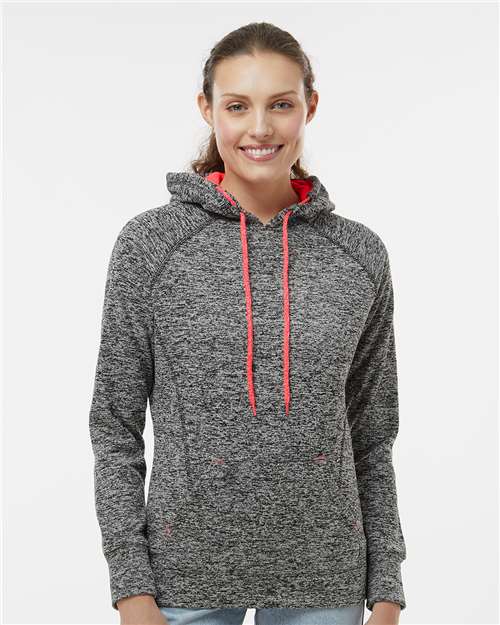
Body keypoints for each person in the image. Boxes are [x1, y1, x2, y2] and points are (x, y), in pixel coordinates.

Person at [89, 21, 407, 625]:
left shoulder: (360, 255)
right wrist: (130, 588)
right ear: (207, 109)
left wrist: (387, 589)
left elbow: (372, 432)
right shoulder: (151, 245)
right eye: (238, 106)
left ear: (310, 106)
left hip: (327, 577)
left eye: (280, 104)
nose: (260, 128)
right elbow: (114, 425)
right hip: (183, 576)